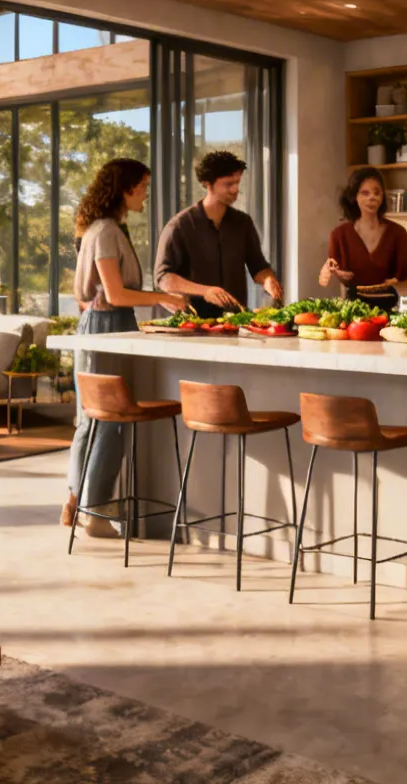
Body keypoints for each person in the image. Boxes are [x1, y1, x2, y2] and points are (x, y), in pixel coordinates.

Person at [63, 158, 188, 538]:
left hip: (103, 326)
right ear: (125, 188)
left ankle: (77, 502)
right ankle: (95, 513)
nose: (146, 194)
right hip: (108, 328)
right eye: (143, 186)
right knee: (110, 421)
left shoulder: (104, 229)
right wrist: (163, 298)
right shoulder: (105, 231)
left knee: (92, 420)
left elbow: (91, 293)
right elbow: (116, 294)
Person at [155, 150, 283, 318]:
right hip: (193, 322)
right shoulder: (179, 226)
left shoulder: (243, 223)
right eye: (228, 184)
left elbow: (258, 266)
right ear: (207, 184)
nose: (235, 189)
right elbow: (163, 278)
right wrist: (205, 291)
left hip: (236, 320)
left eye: (237, 182)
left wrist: (268, 280)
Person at [319, 167, 407, 311]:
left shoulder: (398, 233)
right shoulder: (339, 235)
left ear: (382, 197)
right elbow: (334, 280)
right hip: (353, 313)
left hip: (389, 314)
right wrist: (337, 275)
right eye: (365, 193)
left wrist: (395, 285)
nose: (372, 197)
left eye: (377, 192)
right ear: (354, 196)